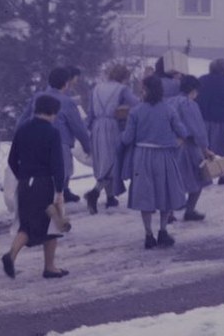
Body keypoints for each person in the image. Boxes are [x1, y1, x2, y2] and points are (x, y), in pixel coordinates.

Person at [3, 94, 70, 279]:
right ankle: (50, 267)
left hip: (25, 184)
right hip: (44, 183)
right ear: (53, 112)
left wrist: (22, 175)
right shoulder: (52, 132)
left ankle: (11, 255)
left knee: (27, 224)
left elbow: (11, 159)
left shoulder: (22, 129)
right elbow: (57, 164)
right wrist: (59, 190)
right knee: (51, 224)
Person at [121, 74, 188, 249]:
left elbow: (127, 138)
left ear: (145, 90)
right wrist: (176, 143)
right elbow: (183, 131)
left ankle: (148, 234)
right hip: (164, 155)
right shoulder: (168, 109)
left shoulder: (136, 111)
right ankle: (163, 231)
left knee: (145, 195)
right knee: (165, 192)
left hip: (142, 155)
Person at [16, 66, 92, 203]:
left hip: (36, 143)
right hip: (59, 144)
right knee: (60, 172)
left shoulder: (37, 97)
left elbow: (23, 119)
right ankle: (56, 200)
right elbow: (78, 128)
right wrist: (88, 146)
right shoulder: (67, 102)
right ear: (66, 83)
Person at [84, 63, 140, 214]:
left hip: (96, 127)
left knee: (103, 162)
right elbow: (137, 104)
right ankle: (94, 193)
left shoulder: (96, 88)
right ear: (124, 77)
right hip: (111, 126)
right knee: (112, 163)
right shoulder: (122, 89)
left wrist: (86, 132)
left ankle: (110, 197)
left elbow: (90, 114)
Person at [167, 74, 217, 222]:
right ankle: (189, 210)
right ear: (193, 90)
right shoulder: (189, 104)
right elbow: (197, 129)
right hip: (189, 147)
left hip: (172, 146)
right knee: (199, 177)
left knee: (174, 180)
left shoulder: (170, 102)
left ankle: (169, 212)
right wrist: (205, 147)